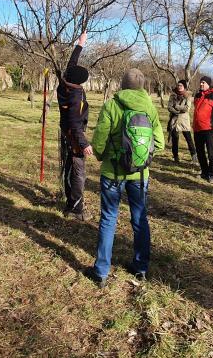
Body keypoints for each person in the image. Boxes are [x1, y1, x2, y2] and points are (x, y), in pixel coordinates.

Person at [86, 68, 164, 287]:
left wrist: (103, 156)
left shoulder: (111, 105)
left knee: (109, 218)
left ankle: (101, 272)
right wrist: (142, 156)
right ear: (142, 86)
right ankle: (141, 268)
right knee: (139, 219)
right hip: (140, 175)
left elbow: (100, 140)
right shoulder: (150, 108)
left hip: (113, 173)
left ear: (122, 84)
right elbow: (160, 143)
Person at [57, 31, 93, 221]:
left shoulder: (64, 84)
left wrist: (80, 44)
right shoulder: (75, 97)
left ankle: (70, 202)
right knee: (78, 172)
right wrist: (84, 143)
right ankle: (76, 209)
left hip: (66, 133)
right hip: (74, 138)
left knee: (69, 167)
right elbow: (75, 123)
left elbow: (71, 65)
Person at [192, 76, 213, 183]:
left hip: (208, 129)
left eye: (203, 82)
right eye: (200, 82)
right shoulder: (197, 95)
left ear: (208, 84)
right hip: (197, 129)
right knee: (200, 152)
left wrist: (212, 121)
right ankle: (204, 172)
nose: (201, 84)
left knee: (211, 152)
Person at [167, 79, 197, 164]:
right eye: (178, 85)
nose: (179, 87)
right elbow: (169, 107)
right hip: (174, 120)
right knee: (175, 140)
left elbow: (187, 108)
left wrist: (176, 106)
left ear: (184, 87)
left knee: (189, 139)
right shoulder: (173, 95)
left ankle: (194, 157)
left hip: (184, 121)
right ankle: (176, 157)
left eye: (181, 86)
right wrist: (177, 111)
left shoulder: (188, 96)